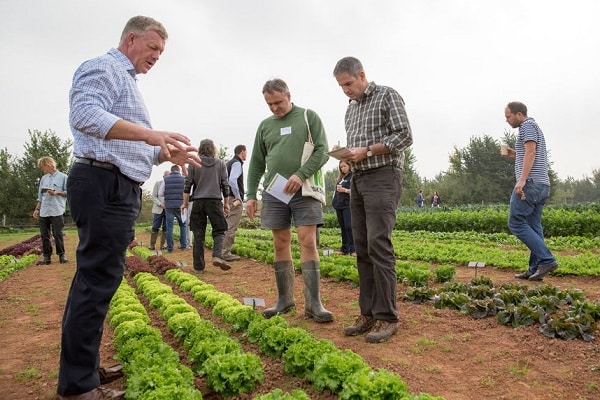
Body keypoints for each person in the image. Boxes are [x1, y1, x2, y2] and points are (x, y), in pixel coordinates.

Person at [59, 15, 201, 400]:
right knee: (96, 281)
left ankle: (82, 371)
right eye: (153, 47)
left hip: (114, 183)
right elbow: (85, 115)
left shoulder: (128, 83)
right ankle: (78, 387)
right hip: (103, 182)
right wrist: (150, 134)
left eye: (161, 51)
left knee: (95, 280)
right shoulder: (103, 67)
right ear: (131, 39)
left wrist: (162, 150)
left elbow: (128, 142)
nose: (157, 56)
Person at [333, 56, 413, 343]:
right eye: (341, 86)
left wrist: (366, 151)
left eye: (349, 84)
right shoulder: (351, 108)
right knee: (363, 246)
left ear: (362, 75)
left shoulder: (386, 96)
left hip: (383, 175)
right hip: (359, 179)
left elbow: (404, 136)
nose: (346, 90)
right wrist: (346, 154)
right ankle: (367, 313)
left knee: (379, 243)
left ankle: (387, 316)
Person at [246, 78, 333, 323]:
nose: (274, 107)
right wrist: (251, 195)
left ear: (288, 95)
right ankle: (285, 300)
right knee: (280, 242)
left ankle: (314, 303)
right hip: (275, 192)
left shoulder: (307, 117)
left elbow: (322, 150)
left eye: (278, 102)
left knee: (307, 241)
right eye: (269, 104)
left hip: (304, 188)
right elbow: (256, 163)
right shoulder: (265, 126)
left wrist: (300, 174)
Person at [503, 101, 558, 281]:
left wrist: (522, 180)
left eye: (508, 116)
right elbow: (529, 152)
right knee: (534, 226)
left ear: (519, 114)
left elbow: (531, 153)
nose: (507, 120)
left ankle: (547, 259)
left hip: (531, 184)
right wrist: (513, 154)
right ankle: (536, 268)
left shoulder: (527, 126)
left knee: (516, 222)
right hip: (542, 185)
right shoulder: (534, 127)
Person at [183, 139, 232, 272]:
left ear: (200, 149)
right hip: (215, 201)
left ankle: (198, 266)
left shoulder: (193, 163)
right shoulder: (221, 164)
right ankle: (217, 255)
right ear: (213, 149)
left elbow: (187, 185)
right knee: (220, 230)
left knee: (198, 233)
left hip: (198, 201)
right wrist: (226, 203)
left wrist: (184, 203)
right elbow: (225, 185)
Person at [33, 156, 69, 265]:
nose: (42, 170)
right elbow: (40, 196)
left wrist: (56, 192)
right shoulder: (44, 178)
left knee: (57, 234)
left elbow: (68, 192)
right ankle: (46, 257)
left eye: (42, 167)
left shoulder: (63, 177)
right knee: (44, 235)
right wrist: (37, 209)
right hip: (44, 210)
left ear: (48, 165)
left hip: (57, 209)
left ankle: (62, 256)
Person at [222, 144, 247, 261]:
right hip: (233, 199)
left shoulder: (228, 163)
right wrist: (238, 196)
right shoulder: (237, 163)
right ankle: (225, 253)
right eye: (246, 152)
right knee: (231, 225)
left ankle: (220, 251)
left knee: (226, 224)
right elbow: (232, 180)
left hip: (226, 198)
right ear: (242, 152)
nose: (246, 154)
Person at [160, 165, 188, 252]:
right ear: (179, 170)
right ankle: (183, 246)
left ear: (171, 171)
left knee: (169, 227)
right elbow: (188, 192)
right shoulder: (184, 179)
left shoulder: (166, 179)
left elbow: (160, 193)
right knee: (183, 225)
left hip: (169, 206)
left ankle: (170, 248)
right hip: (181, 206)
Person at [332, 160, 355, 255]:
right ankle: (344, 249)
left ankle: (353, 249)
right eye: (341, 167)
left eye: (344, 166)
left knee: (349, 226)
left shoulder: (353, 177)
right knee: (343, 227)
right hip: (339, 205)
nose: (343, 168)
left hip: (347, 205)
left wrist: (344, 190)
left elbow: (355, 192)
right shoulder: (341, 178)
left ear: (349, 166)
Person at [148, 170, 169, 251]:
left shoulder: (171, 185)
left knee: (166, 227)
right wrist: (160, 204)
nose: (166, 178)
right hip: (158, 208)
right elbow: (153, 196)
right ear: (163, 177)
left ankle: (163, 245)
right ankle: (152, 244)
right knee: (155, 226)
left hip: (168, 209)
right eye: (165, 176)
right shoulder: (158, 183)